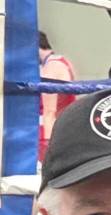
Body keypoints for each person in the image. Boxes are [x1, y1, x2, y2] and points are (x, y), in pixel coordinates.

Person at [38, 31, 76, 161]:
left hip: (51, 134)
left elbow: (50, 111)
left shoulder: (51, 67)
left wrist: (47, 150)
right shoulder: (63, 61)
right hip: (64, 128)